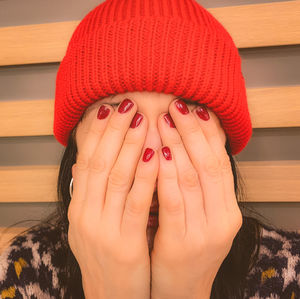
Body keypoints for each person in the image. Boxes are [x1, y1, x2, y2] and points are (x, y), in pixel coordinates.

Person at [1, 0, 300, 298]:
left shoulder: (289, 272)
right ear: (76, 145)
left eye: (181, 119)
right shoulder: (23, 272)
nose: (153, 163)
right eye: (122, 116)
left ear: (223, 148)